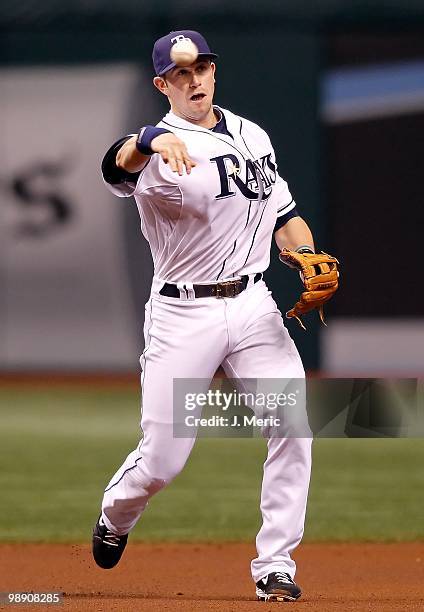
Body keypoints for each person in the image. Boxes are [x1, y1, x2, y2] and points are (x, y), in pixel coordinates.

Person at [93, 29, 332, 603]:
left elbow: (284, 211)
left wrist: (304, 255)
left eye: (201, 67)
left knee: (292, 426)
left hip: (253, 307)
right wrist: (148, 139)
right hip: (183, 315)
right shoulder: (156, 149)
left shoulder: (252, 134)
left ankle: (275, 565)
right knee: (161, 461)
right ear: (162, 85)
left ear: (214, 71)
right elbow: (113, 166)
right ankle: (115, 516)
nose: (193, 78)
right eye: (180, 73)